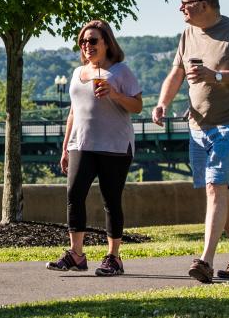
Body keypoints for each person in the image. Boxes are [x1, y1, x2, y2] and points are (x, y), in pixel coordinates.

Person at [151, 0, 229, 283]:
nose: (180, 8)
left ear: (204, 4)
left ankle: (205, 261)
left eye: (185, 2)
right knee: (219, 192)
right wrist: (163, 103)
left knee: (215, 188)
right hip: (198, 127)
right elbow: (176, 72)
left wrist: (216, 76)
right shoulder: (188, 34)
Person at [46, 19, 143, 276]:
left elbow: (137, 106)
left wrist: (114, 94)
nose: (87, 45)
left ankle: (113, 257)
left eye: (93, 41)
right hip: (82, 144)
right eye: (83, 41)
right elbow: (73, 112)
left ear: (106, 43)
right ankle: (76, 254)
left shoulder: (121, 71)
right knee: (74, 195)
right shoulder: (78, 74)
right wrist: (66, 147)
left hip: (114, 145)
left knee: (111, 200)